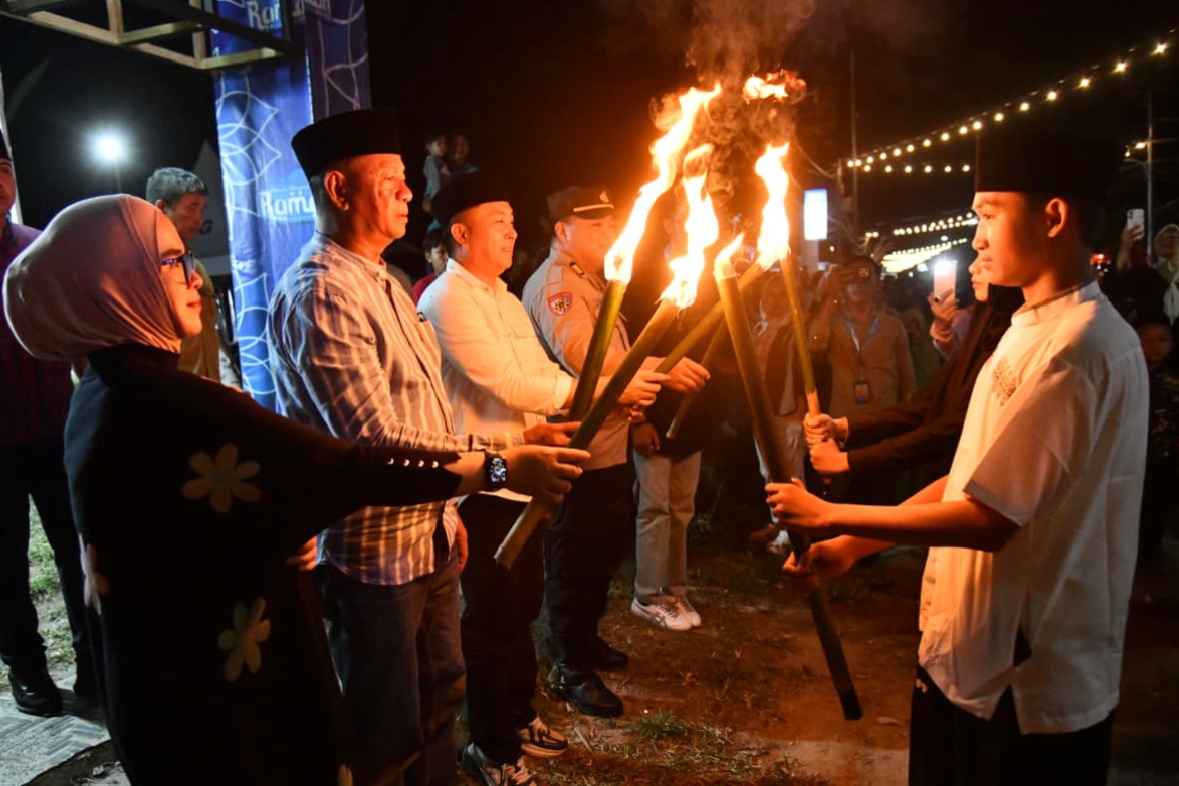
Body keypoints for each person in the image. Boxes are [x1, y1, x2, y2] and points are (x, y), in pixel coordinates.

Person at [2, 194, 587, 785]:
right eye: (171, 261)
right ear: (113, 283)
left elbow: (191, 531)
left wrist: (277, 528)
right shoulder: (176, 407)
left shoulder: (98, 396)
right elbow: (352, 469)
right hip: (226, 706)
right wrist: (498, 468)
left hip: (158, 695)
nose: (194, 278)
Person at [774, 129, 1145, 786]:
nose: (976, 238)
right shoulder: (1031, 328)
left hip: (1019, 687)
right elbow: (972, 475)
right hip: (975, 660)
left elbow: (988, 518)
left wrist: (830, 515)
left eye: (989, 214)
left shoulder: (1075, 349)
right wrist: (855, 545)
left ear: (1053, 216)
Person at [267, 110, 580, 786]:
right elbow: (375, 442)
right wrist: (500, 462)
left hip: (426, 535)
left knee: (441, 695)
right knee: (387, 725)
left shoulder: (380, 279)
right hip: (372, 555)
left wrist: (448, 511)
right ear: (339, 189)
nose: (410, 192)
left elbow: (426, 409)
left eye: (407, 177)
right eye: (391, 179)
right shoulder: (323, 292)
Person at [420, 173, 665, 786]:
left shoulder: (503, 298)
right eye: (498, 221)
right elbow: (511, 383)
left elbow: (538, 375)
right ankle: (490, 745)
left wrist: (587, 403)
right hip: (481, 482)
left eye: (512, 220)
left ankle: (518, 711)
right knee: (493, 615)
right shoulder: (448, 298)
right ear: (460, 233)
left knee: (522, 606)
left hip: (522, 477)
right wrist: (606, 391)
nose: (511, 231)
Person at [523, 186, 708, 718]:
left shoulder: (591, 281)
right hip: (574, 448)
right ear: (563, 231)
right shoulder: (559, 286)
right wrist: (662, 370)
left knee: (600, 553)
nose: (611, 234)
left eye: (611, 225)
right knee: (573, 558)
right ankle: (569, 666)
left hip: (605, 445)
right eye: (597, 226)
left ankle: (585, 640)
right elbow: (590, 360)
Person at [0, 130, 94, 717]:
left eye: (2, 168)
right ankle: (27, 668)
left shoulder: (41, 247)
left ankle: (92, 662)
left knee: (77, 549)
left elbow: (77, 336)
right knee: (6, 564)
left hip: (56, 428)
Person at [804, 264, 1023, 484]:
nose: (973, 267)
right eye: (850, 279)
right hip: (855, 416)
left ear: (877, 284)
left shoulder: (893, 324)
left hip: (890, 424)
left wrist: (848, 460)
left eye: (863, 279)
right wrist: (842, 426)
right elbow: (813, 345)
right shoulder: (834, 324)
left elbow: (935, 409)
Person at [145, 167, 221, 383]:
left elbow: (209, 335)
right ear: (161, 208)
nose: (199, 219)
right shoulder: (142, 271)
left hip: (208, 392)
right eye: (191, 208)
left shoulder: (196, 267)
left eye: (202, 209)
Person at [1134, 313, 1179, 565]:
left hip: (1163, 458)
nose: (1155, 347)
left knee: (1157, 507)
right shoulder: (1129, 376)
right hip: (1132, 456)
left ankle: (1151, 556)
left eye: (1162, 340)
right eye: (1147, 340)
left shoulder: (1173, 381)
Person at [411, 229, 448, 304]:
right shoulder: (421, 288)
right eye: (441, 252)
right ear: (428, 256)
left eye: (451, 252)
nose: (447, 257)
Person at [422, 130, 450, 217]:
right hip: (436, 196)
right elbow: (435, 182)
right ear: (428, 146)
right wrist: (438, 200)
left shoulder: (439, 161)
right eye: (439, 144)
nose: (443, 146)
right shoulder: (431, 161)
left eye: (445, 143)